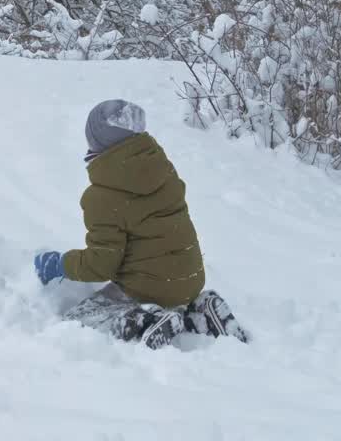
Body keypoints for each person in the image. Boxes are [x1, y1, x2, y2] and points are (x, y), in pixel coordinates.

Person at [33, 99, 248, 349]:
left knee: (77, 321)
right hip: (190, 279)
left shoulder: (102, 195)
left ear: (97, 142)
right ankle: (199, 313)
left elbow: (101, 265)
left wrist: (60, 264)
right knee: (165, 288)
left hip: (148, 288)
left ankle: (147, 319)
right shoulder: (163, 171)